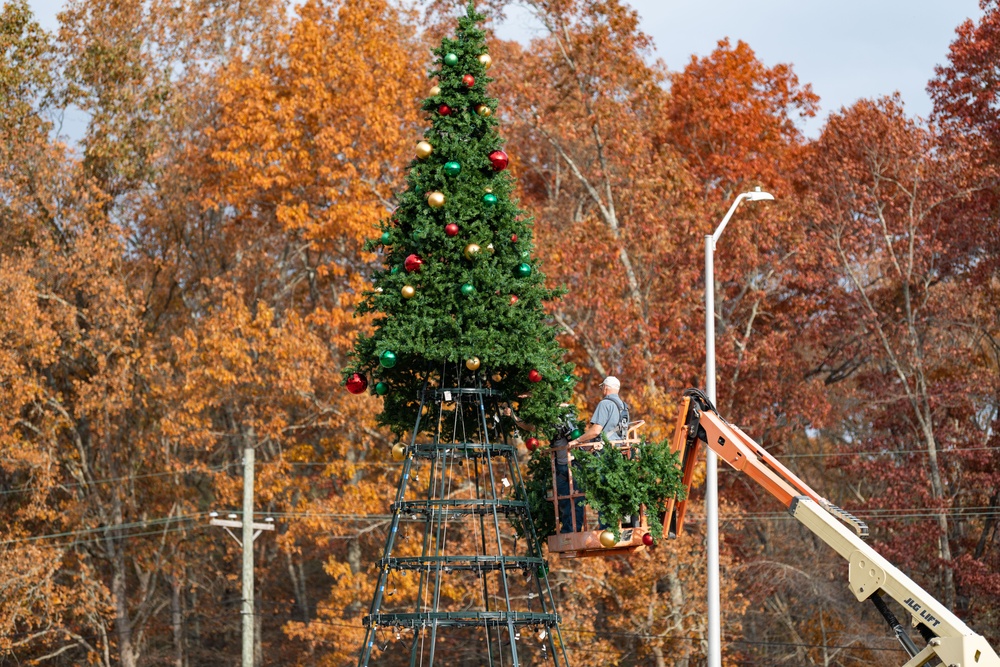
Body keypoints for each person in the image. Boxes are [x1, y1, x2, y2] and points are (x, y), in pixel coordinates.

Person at [503, 405, 584, 533]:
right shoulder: (554, 422)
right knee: (564, 501)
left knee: (574, 499)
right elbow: (533, 427)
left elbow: (533, 426)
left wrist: (514, 416)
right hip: (561, 466)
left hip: (572, 465)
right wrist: (514, 416)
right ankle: (569, 531)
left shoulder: (567, 419)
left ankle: (572, 531)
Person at [566, 376, 627, 448]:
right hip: (619, 448)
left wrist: (577, 440)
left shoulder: (605, 404)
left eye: (602, 387)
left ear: (605, 387)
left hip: (605, 450)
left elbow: (595, 431)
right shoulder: (624, 406)